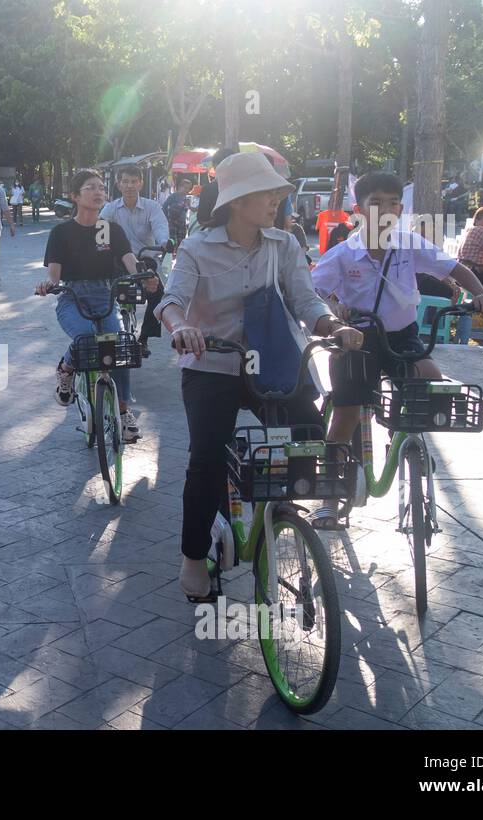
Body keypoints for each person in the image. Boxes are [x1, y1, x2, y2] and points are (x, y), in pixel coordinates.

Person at [155, 152, 362, 600]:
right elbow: (170, 301)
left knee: (306, 433)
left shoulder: (283, 245)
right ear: (236, 201)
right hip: (212, 365)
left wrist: (333, 327)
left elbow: (307, 302)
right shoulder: (196, 248)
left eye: (275, 193)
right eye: (264, 193)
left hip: (272, 363)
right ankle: (193, 557)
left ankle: (279, 509)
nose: (274, 200)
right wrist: (182, 328)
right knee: (206, 461)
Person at [309, 172, 483, 530]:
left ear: (400, 208)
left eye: (393, 202)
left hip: (402, 336)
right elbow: (313, 292)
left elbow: (453, 268)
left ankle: (405, 440)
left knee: (430, 378)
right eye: (375, 202)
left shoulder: (409, 244)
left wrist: (480, 294)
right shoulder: (341, 254)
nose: (386, 209)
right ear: (358, 209)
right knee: (345, 416)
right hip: (357, 339)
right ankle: (328, 500)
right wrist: (336, 308)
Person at [35, 168, 142, 443]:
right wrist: (48, 285)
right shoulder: (62, 232)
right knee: (85, 338)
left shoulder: (108, 230)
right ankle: (67, 369)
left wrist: (142, 276)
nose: (98, 192)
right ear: (75, 196)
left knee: (119, 343)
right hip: (72, 296)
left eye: (101, 188)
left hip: (106, 296)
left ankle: (123, 410)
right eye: (91, 188)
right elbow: (55, 275)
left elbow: (130, 262)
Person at [99, 164, 170, 356]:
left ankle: (144, 338)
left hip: (144, 260)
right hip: (116, 261)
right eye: (125, 181)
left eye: (133, 181)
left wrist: (164, 242)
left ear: (140, 183)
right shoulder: (110, 209)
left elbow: (160, 228)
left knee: (158, 295)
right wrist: (101, 247)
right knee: (102, 294)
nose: (129, 185)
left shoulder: (152, 207)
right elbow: (100, 234)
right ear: (118, 184)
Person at [163, 177, 193, 248]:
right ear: (180, 187)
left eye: (188, 188)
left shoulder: (186, 199)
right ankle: (169, 256)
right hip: (173, 223)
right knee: (173, 242)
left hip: (182, 225)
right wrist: (167, 219)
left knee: (181, 243)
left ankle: (178, 257)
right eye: (185, 187)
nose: (187, 190)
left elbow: (190, 208)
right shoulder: (174, 196)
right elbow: (164, 206)